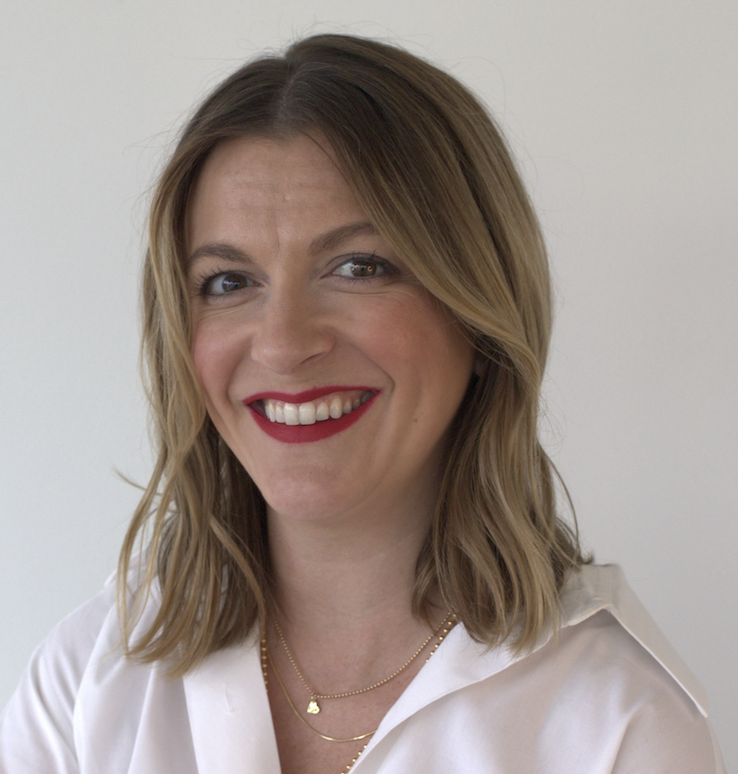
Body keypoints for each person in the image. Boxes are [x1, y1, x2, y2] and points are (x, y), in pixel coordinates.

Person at [0, 34, 726, 774]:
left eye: (358, 267)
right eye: (227, 281)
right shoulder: (87, 685)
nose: (282, 345)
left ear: (479, 313)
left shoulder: (622, 725)